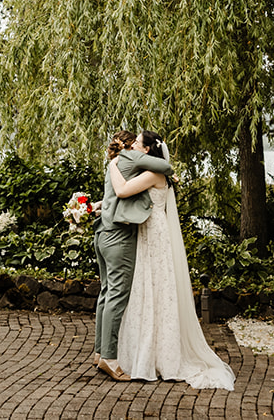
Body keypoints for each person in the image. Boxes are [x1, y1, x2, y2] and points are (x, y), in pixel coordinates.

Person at [105, 130, 235, 390]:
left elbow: (122, 191)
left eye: (137, 144)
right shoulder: (154, 172)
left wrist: (112, 164)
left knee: (154, 289)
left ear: (147, 150)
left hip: (152, 233)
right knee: (148, 288)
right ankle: (147, 352)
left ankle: (155, 357)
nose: (133, 148)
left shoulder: (152, 174)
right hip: (151, 230)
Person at [92, 130, 170, 380]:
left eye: (138, 142)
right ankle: (109, 358)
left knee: (106, 293)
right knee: (116, 295)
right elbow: (126, 191)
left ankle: (99, 352)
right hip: (120, 236)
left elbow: (117, 197)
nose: (135, 145)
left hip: (103, 233)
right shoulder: (130, 162)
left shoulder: (124, 166)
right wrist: (170, 173)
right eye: (133, 142)